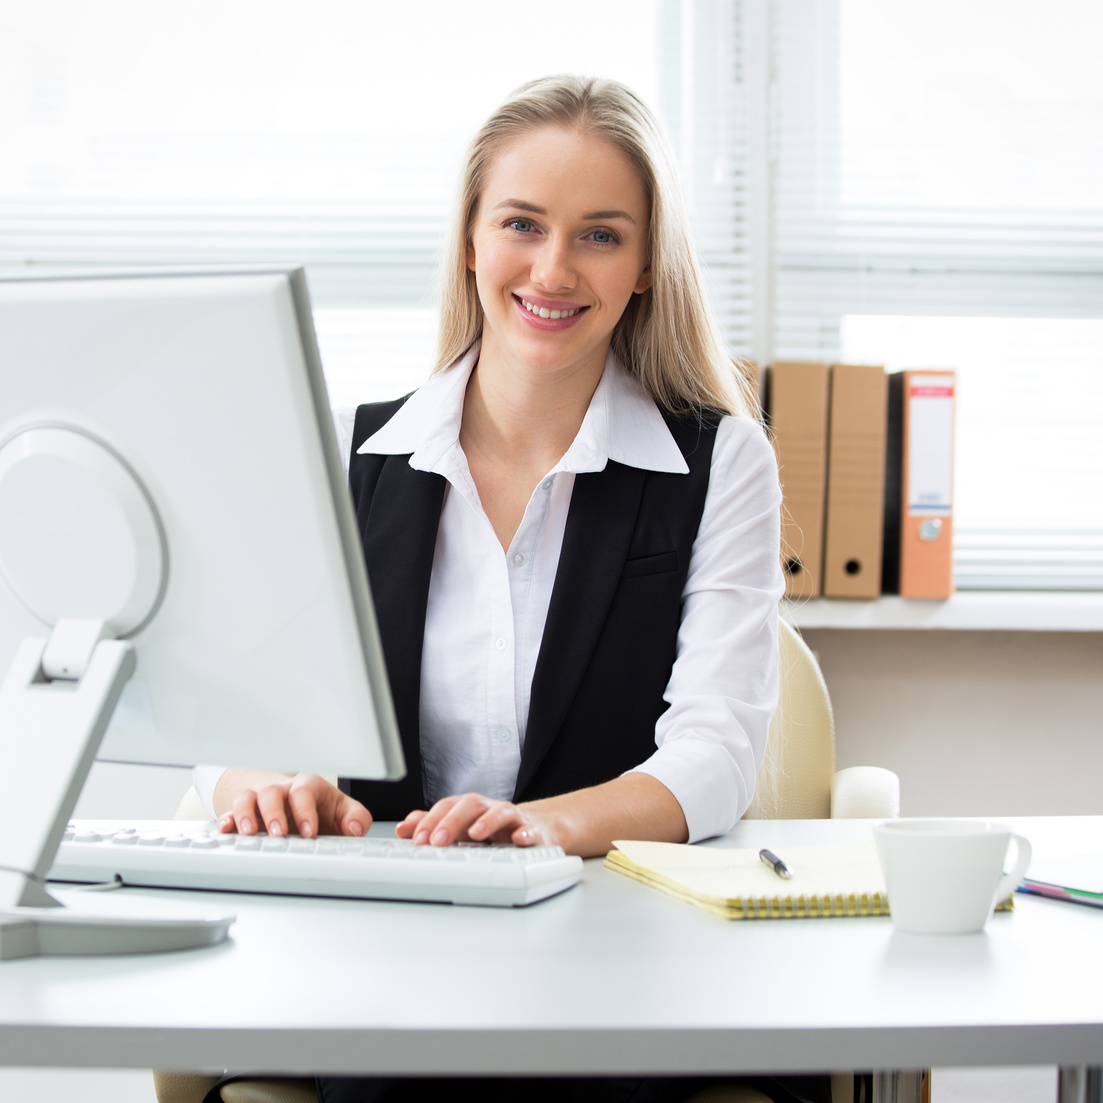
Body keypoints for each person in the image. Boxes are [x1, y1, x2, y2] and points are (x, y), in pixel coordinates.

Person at [196, 75, 829, 1103]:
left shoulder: (720, 460)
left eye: (600, 235)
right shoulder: (347, 454)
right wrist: (257, 781)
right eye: (521, 224)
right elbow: (230, 714)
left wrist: (544, 825)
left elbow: (713, 754)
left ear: (642, 269)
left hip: (630, 955)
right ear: (469, 242)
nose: (551, 268)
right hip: (387, 960)